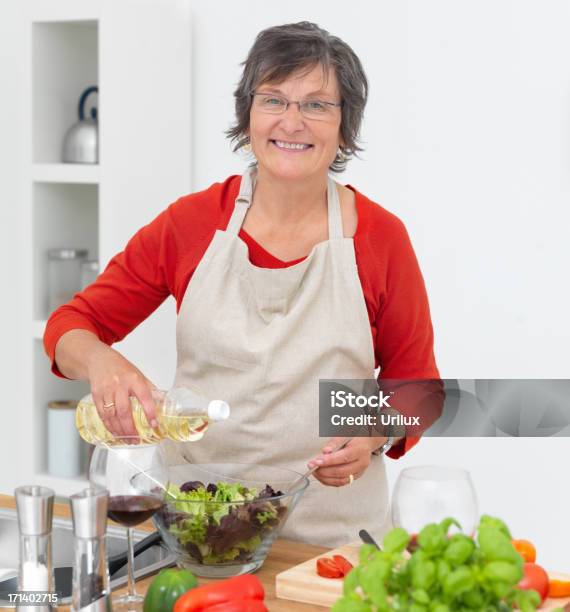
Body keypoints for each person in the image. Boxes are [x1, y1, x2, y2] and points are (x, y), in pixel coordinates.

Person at [44, 22, 441, 547]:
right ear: (247, 115)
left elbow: (418, 388)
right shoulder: (190, 223)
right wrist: (102, 362)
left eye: (317, 104)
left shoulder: (381, 238)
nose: (292, 121)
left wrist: (372, 433)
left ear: (345, 127)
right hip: (203, 537)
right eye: (273, 99)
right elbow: (69, 326)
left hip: (334, 550)